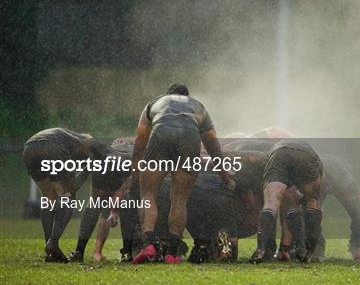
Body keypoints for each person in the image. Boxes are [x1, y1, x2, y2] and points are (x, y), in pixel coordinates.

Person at [131, 83, 232, 264]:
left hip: (161, 136)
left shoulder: (155, 103)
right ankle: (171, 253)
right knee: (179, 200)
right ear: (187, 96)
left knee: (148, 195)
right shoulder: (198, 106)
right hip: (189, 140)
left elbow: (140, 139)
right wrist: (223, 172)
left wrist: (135, 171)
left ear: (168, 94)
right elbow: (212, 143)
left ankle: (148, 245)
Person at [21, 128, 110, 262]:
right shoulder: (85, 141)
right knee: (69, 196)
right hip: (51, 147)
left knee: (48, 196)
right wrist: (89, 166)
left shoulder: (68, 139)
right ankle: (53, 242)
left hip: (29, 149)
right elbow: (73, 187)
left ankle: (49, 248)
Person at [249, 139, 323, 264]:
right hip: (306, 156)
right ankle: (307, 252)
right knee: (312, 201)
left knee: (271, 204)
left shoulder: (273, 154)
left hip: (279, 154)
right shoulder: (313, 159)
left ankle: (260, 250)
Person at [68, 141, 132, 263]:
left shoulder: (122, 163)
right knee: (97, 208)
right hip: (113, 168)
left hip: (122, 172)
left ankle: (127, 252)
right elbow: (79, 182)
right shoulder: (97, 160)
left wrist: (113, 211)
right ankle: (81, 252)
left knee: (122, 208)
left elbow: (121, 189)